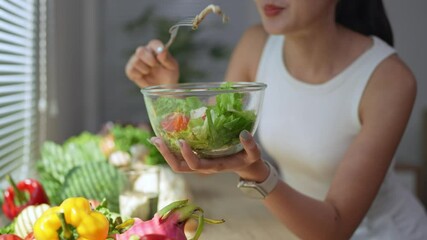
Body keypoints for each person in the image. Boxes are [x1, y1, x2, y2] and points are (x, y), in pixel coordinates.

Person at [125, 0, 427, 239]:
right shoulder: (256, 45)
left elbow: (335, 228)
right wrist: (168, 92)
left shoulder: (389, 80)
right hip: (295, 227)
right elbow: (213, 153)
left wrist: (257, 174)